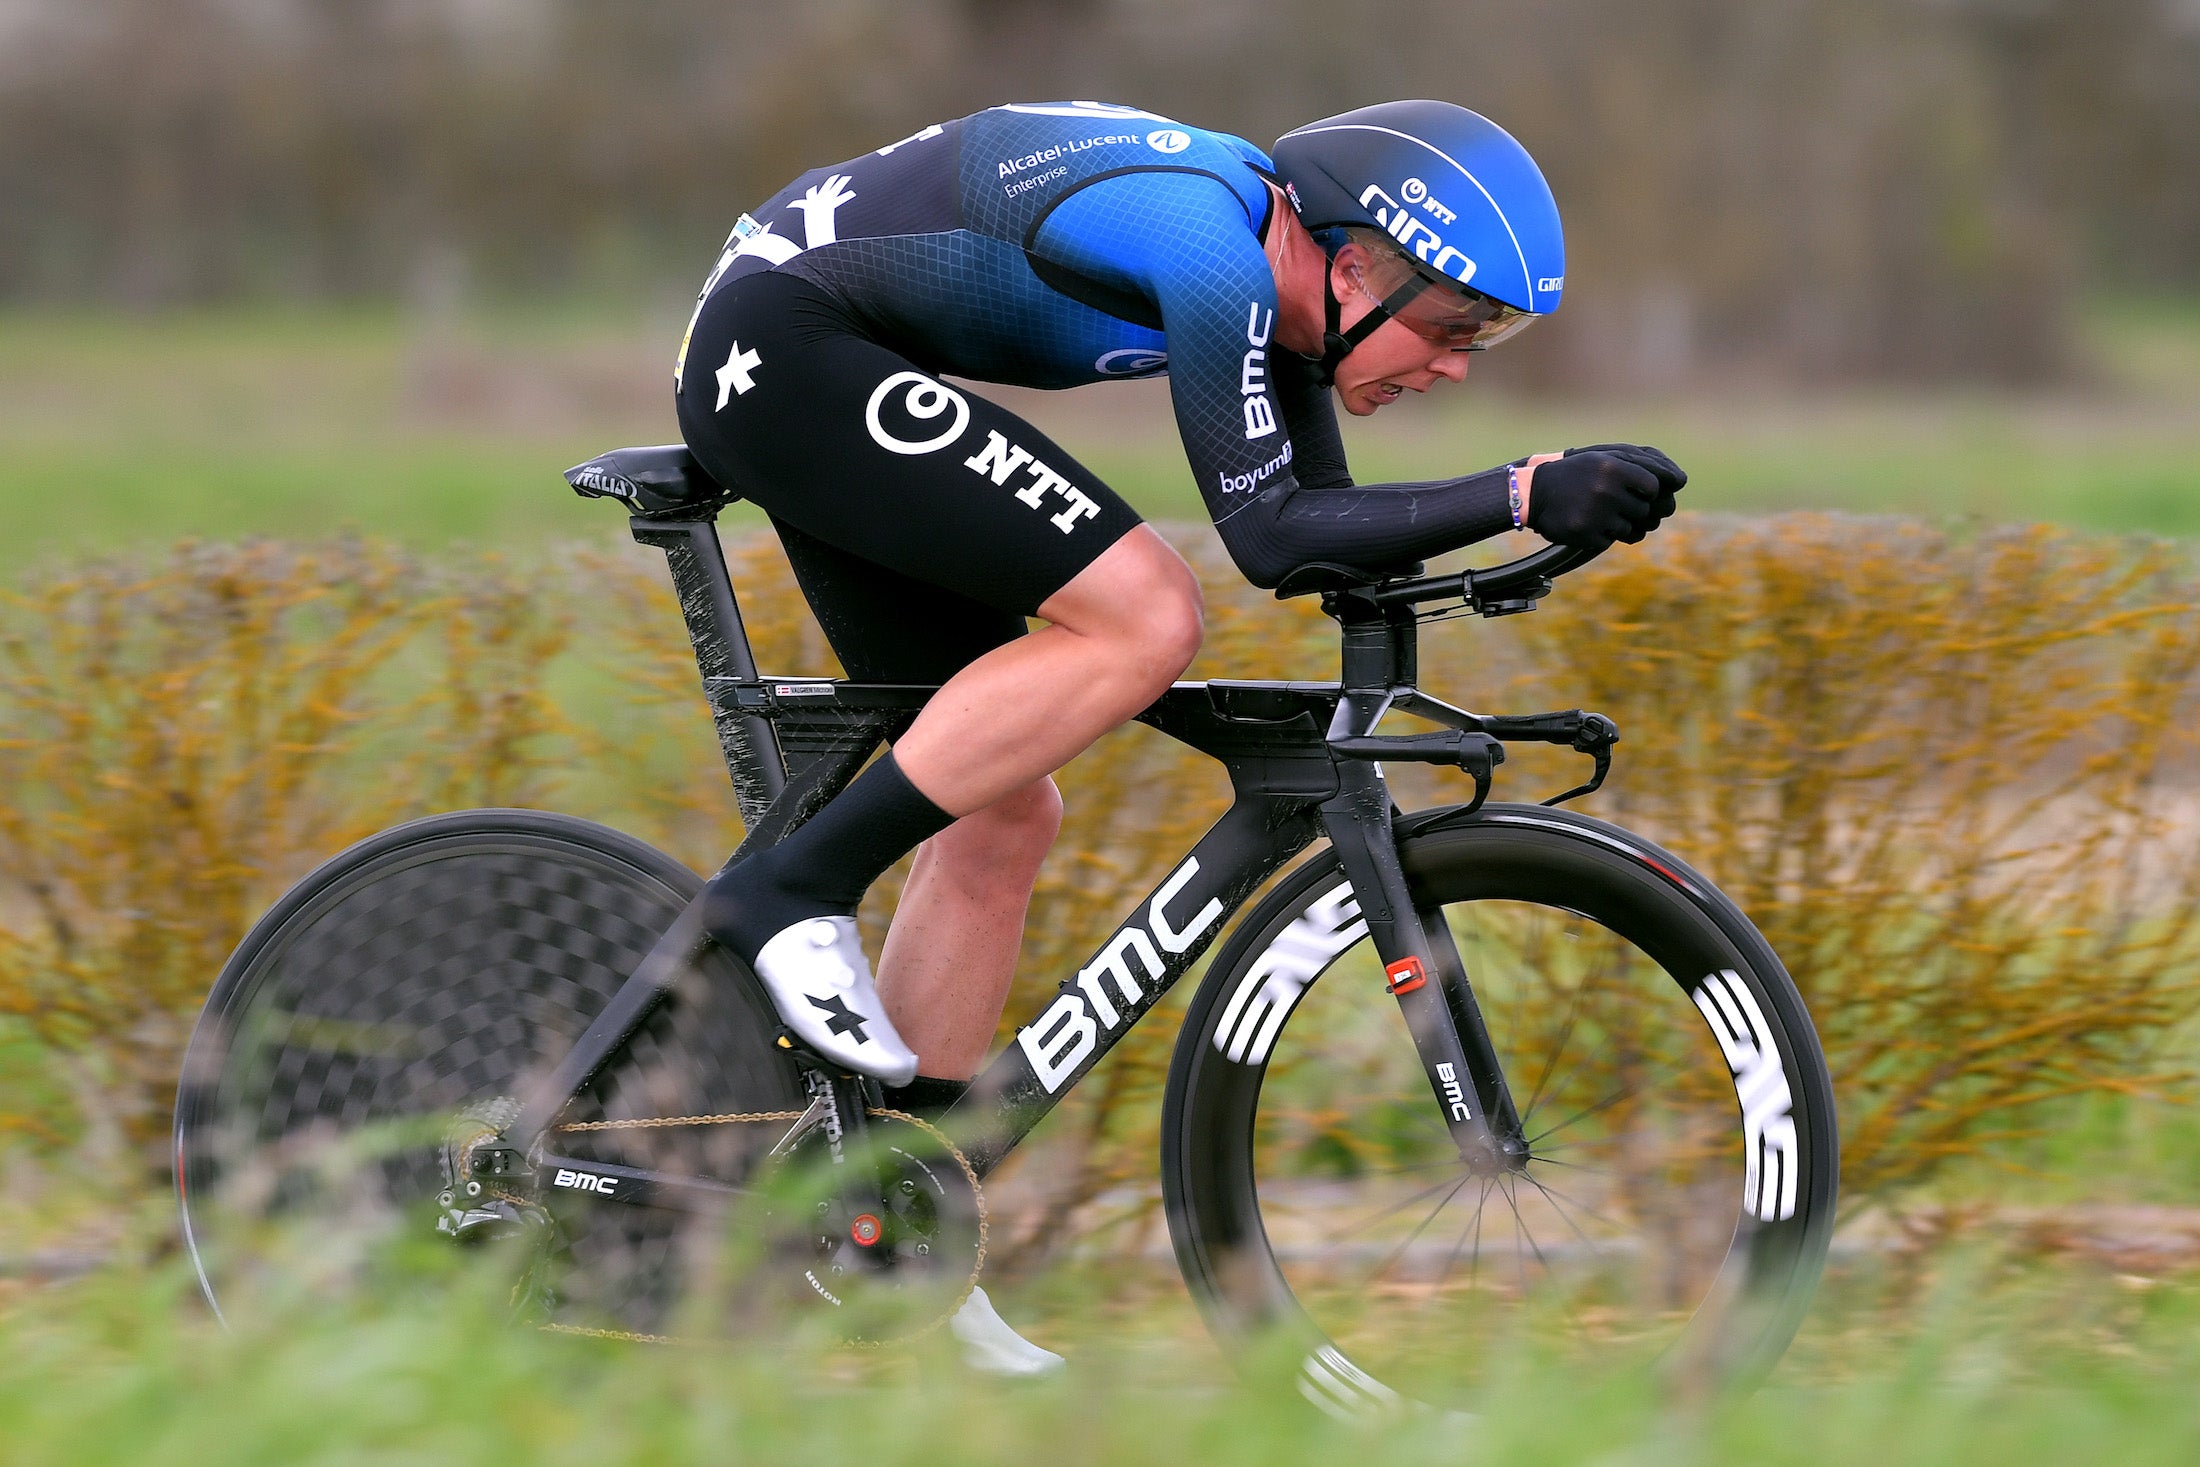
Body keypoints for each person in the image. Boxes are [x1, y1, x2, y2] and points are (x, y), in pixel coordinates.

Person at [673, 99, 1684, 1373]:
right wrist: (1523, 489)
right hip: (784, 344)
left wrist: (1534, 525)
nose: (1455, 366)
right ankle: (788, 891)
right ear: (1353, 265)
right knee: (1148, 614)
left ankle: (896, 1232)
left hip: (829, 352)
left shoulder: (1293, 294)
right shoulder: (1214, 257)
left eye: (1483, 338)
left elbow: (1322, 536)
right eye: (1449, 325)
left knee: (999, 807)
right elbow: (1268, 537)